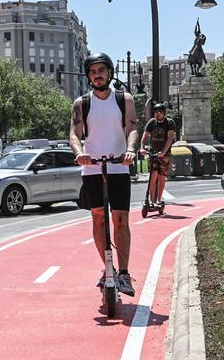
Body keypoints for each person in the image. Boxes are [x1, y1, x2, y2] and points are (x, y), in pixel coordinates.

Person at [69, 52, 139, 297]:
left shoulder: (124, 99)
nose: (97, 75)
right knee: (98, 217)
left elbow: (132, 129)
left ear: (109, 72)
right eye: (92, 72)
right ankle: (107, 267)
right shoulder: (81, 103)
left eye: (101, 70)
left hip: (119, 165)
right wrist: (80, 153)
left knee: (120, 219)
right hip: (92, 167)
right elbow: (75, 134)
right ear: (89, 76)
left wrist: (130, 150)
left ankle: (124, 272)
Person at [140, 103, 176, 208]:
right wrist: (142, 147)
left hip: (165, 154)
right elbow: (145, 135)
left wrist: (164, 152)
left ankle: (159, 200)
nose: (157, 114)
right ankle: (151, 201)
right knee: (153, 175)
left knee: (161, 176)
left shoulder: (169, 122)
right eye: (155, 112)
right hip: (153, 153)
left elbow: (170, 138)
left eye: (159, 112)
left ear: (163, 113)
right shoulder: (152, 122)